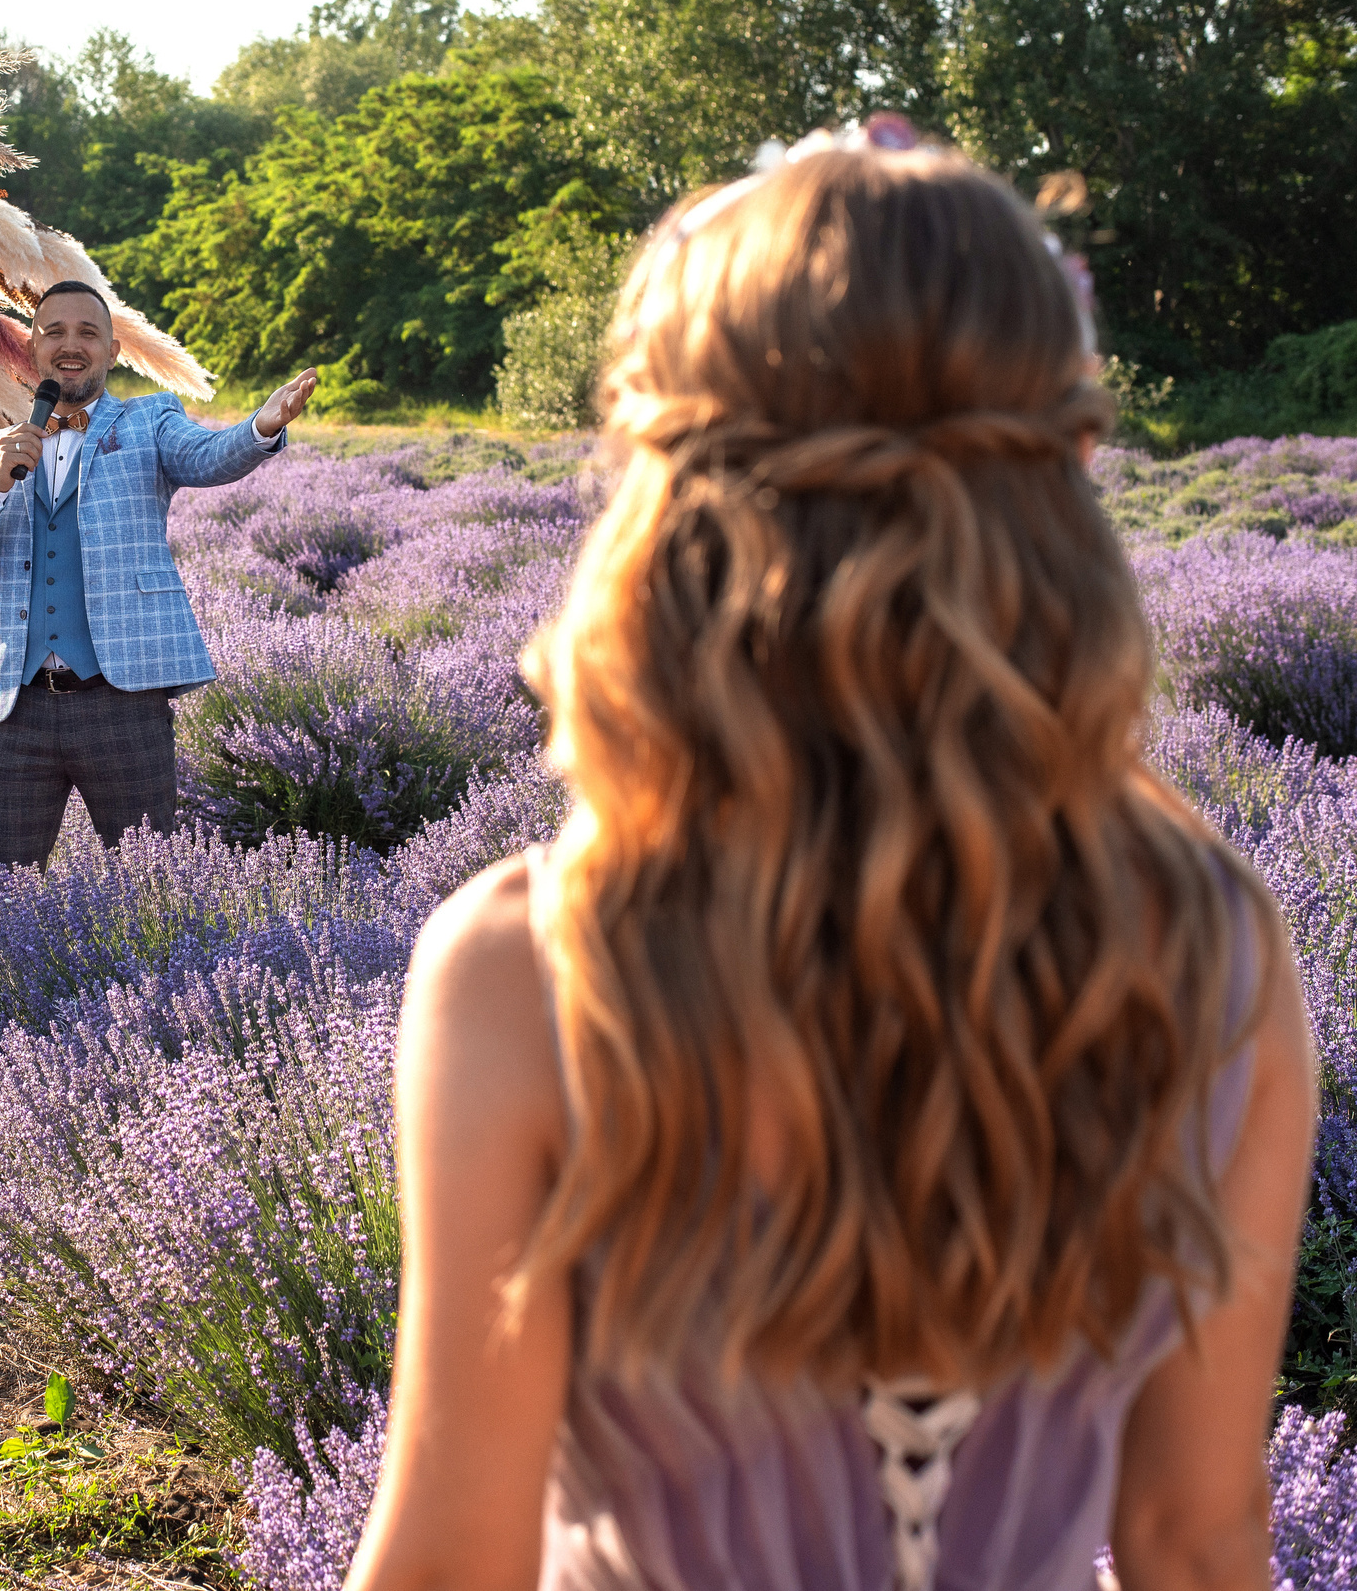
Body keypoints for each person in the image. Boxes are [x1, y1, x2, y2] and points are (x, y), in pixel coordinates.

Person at [349, 133, 1317, 1591]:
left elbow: (450, 1559)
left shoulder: (529, 965)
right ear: (1063, 475)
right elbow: (1196, 1534)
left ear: (667, 485)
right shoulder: (1212, 950)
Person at [0, 280, 319, 890]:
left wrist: (260, 427)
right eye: (54, 331)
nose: (71, 344)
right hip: (15, 712)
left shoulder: (149, 420)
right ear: (33, 347)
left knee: (149, 895)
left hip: (124, 701)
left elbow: (207, 456)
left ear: (112, 351)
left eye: (88, 332)